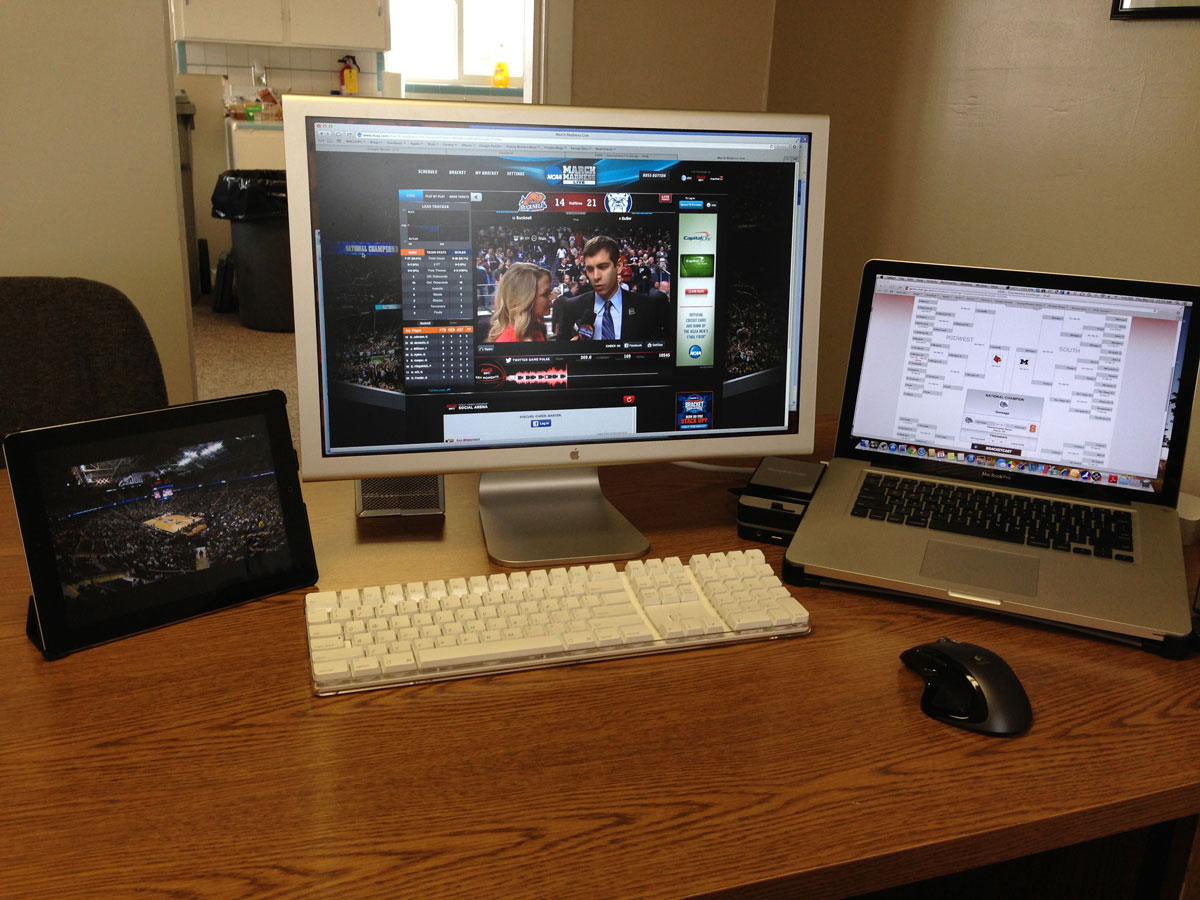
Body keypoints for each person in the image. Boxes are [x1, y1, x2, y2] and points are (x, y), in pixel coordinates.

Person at [556, 235, 665, 342]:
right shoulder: (571, 307)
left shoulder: (646, 307)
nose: (595, 276)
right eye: (590, 269)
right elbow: (561, 355)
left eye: (603, 267)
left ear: (618, 266)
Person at [487, 262, 553, 342]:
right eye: (545, 294)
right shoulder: (509, 341)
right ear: (524, 299)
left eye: (550, 292)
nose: (551, 298)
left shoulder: (535, 328)